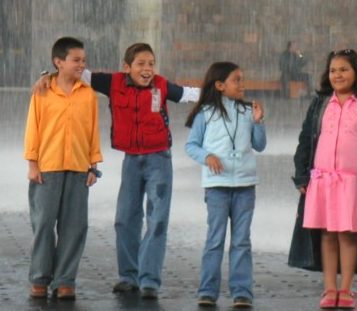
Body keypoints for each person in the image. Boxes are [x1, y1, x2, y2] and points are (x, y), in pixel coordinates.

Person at [33, 42, 200, 299]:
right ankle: (128, 277)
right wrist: (46, 75)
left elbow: (191, 94)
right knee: (124, 220)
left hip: (159, 160)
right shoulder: (113, 83)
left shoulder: (162, 85)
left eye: (151, 64)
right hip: (131, 161)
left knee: (156, 221)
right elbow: (74, 72)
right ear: (127, 67)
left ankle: (149, 281)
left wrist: (222, 94)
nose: (147, 69)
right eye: (141, 64)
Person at [288, 49, 357, 309]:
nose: (338, 74)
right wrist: (302, 174)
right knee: (326, 234)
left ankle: (346, 288)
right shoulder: (321, 103)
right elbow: (305, 140)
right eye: (333, 70)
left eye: (344, 69)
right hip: (322, 180)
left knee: (347, 234)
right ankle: (329, 288)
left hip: (355, 182)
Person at [24, 37, 103, 300]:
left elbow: (93, 131)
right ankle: (39, 279)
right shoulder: (43, 92)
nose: (82, 64)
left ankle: (65, 280)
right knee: (44, 224)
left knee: (75, 226)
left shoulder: (88, 95)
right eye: (76, 60)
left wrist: (94, 166)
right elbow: (32, 129)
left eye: (83, 60)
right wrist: (32, 163)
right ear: (59, 62)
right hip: (47, 168)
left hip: (79, 168)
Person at [184, 62, 266, 308]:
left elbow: (260, 145)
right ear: (220, 85)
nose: (242, 84)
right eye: (236, 80)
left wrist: (259, 122)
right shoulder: (205, 113)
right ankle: (208, 290)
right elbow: (191, 145)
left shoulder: (248, 111)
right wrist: (207, 157)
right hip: (217, 186)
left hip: (245, 186)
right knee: (215, 239)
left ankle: (242, 292)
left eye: (242, 79)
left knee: (242, 241)